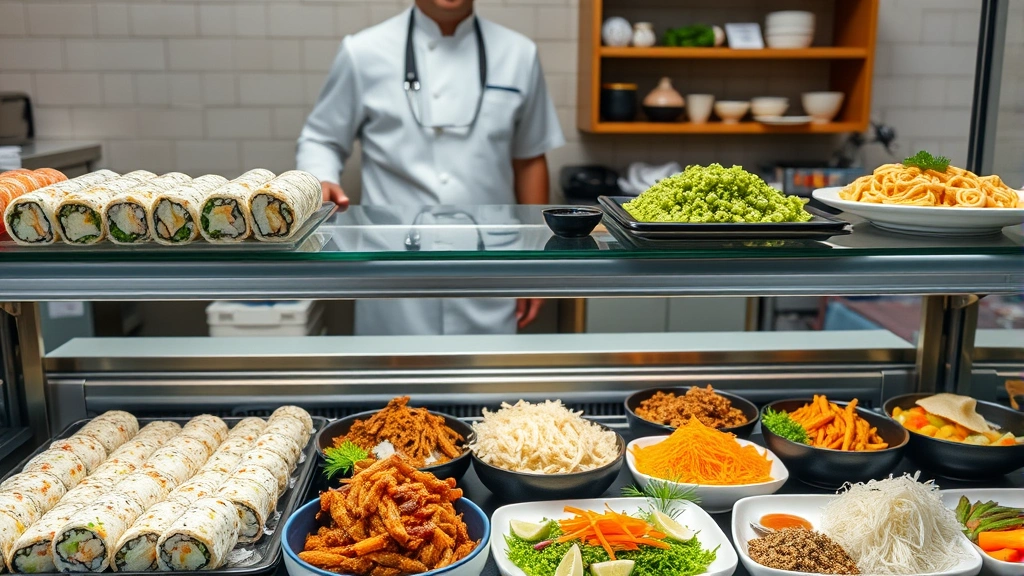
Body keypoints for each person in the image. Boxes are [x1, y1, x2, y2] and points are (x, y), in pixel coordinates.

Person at [297, 0, 564, 336]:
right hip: (392, 267)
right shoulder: (363, 51)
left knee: (486, 384)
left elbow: (529, 158)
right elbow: (321, 139)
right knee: (393, 383)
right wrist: (321, 180)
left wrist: (535, 263)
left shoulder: (519, 53)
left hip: (490, 267)